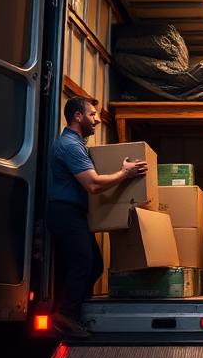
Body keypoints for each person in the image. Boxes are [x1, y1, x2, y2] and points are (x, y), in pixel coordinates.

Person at [47, 96, 148, 338]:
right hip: (65, 212)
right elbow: (93, 184)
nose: (97, 120)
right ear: (77, 116)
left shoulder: (77, 144)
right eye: (92, 115)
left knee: (93, 265)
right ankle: (65, 315)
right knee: (84, 263)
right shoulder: (70, 146)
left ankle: (71, 313)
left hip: (73, 212)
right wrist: (124, 173)